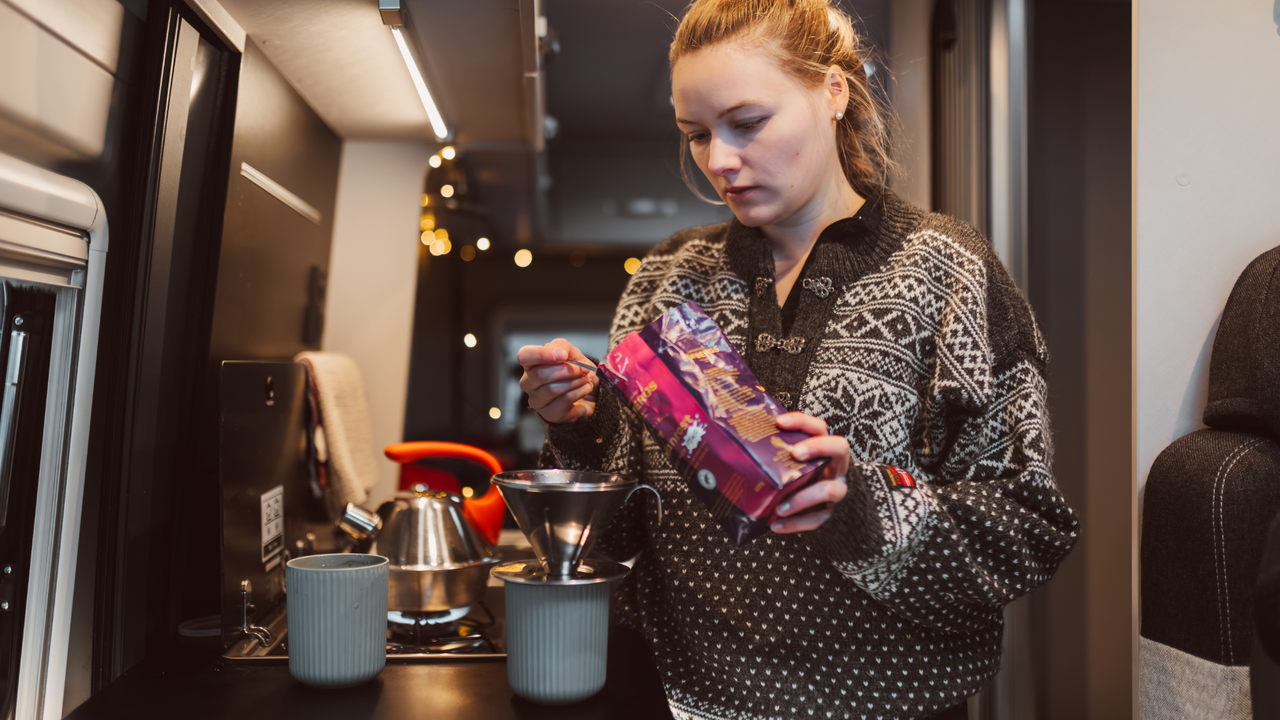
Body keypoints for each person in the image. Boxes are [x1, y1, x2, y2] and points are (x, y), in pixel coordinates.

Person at [517, 1, 1079, 717]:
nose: (719, 160)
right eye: (696, 135)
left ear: (833, 92)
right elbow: (616, 534)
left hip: (889, 703)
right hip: (673, 695)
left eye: (748, 124)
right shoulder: (666, 279)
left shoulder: (948, 273)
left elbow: (1030, 526)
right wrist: (579, 426)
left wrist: (864, 504)